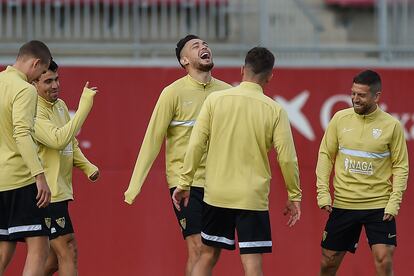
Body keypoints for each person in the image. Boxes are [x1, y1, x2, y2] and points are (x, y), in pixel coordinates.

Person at [173, 47, 302, 276]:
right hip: (251, 197)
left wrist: (184, 183)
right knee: (252, 263)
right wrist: (294, 195)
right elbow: (288, 159)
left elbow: (195, 145)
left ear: (242, 70)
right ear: (270, 76)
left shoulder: (215, 100)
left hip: (216, 194)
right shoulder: (275, 110)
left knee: (207, 255)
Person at [124, 34, 231, 275]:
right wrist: (134, 186)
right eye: (196, 46)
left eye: (205, 44)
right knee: (197, 247)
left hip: (220, 184)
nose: (204, 47)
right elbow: (152, 140)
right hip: (185, 183)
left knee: (211, 251)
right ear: (184, 60)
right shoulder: (172, 93)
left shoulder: (226, 93)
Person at [316, 70, 409, 276]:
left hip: (379, 206)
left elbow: (401, 166)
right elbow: (325, 155)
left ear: (376, 96)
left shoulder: (392, 126)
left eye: (361, 95)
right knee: (327, 262)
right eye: (353, 93)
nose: (355, 99)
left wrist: (394, 202)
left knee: (384, 259)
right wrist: (322, 192)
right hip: (344, 203)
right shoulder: (340, 119)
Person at [32, 60, 99, 276]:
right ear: (34, 84)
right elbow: (58, 140)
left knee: (51, 261)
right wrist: (84, 108)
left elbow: (70, 143)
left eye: (57, 79)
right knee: (68, 249)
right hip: (46, 193)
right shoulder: (33, 111)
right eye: (48, 81)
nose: (55, 85)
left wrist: (87, 166)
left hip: (59, 191)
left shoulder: (59, 106)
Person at [0, 40, 52, 276]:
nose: (37, 80)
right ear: (36, 63)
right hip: (19, 179)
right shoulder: (24, 90)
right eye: (41, 73)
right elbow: (22, 134)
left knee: (4, 248)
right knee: (40, 247)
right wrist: (39, 176)